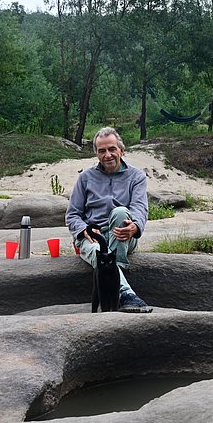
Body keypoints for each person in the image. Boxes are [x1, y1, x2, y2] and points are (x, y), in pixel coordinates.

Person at [66, 126, 152, 313]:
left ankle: (115, 275)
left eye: (112, 149)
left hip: (122, 235)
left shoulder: (136, 176)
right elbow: (72, 214)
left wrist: (135, 226)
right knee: (98, 250)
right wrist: (83, 230)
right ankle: (126, 294)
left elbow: (140, 207)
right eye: (102, 150)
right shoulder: (85, 178)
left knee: (121, 212)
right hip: (92, 237)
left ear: (122, 150)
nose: (108, 155)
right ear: (96, 153)